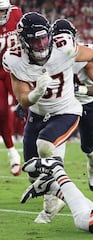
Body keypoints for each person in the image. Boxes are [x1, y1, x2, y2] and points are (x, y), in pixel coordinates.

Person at [2, 12, 93, 224]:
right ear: (23, 41)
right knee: (32, 169)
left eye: (43, 38)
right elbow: (23, 98)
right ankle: (57, 193)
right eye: (34, 40)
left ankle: (60, 197)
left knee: (50, 146)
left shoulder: (65, 48)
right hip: (39, 112)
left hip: (71, 108)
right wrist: (36, 93)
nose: (40, 45)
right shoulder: (14, 58)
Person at [52, 18, 93, 191]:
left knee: (88, 148)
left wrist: (76, 88)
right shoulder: (48, 56)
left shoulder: (85, 55)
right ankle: (56, 185)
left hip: (88, 103)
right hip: (64, 103)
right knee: (56, 140)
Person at [0, 0, 22, 176]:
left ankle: (38, 145)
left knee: (27, 103)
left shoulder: (16, 13)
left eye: (3, 11)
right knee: (1, 109)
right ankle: (12, 151)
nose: (1, 14)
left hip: (14, 68)